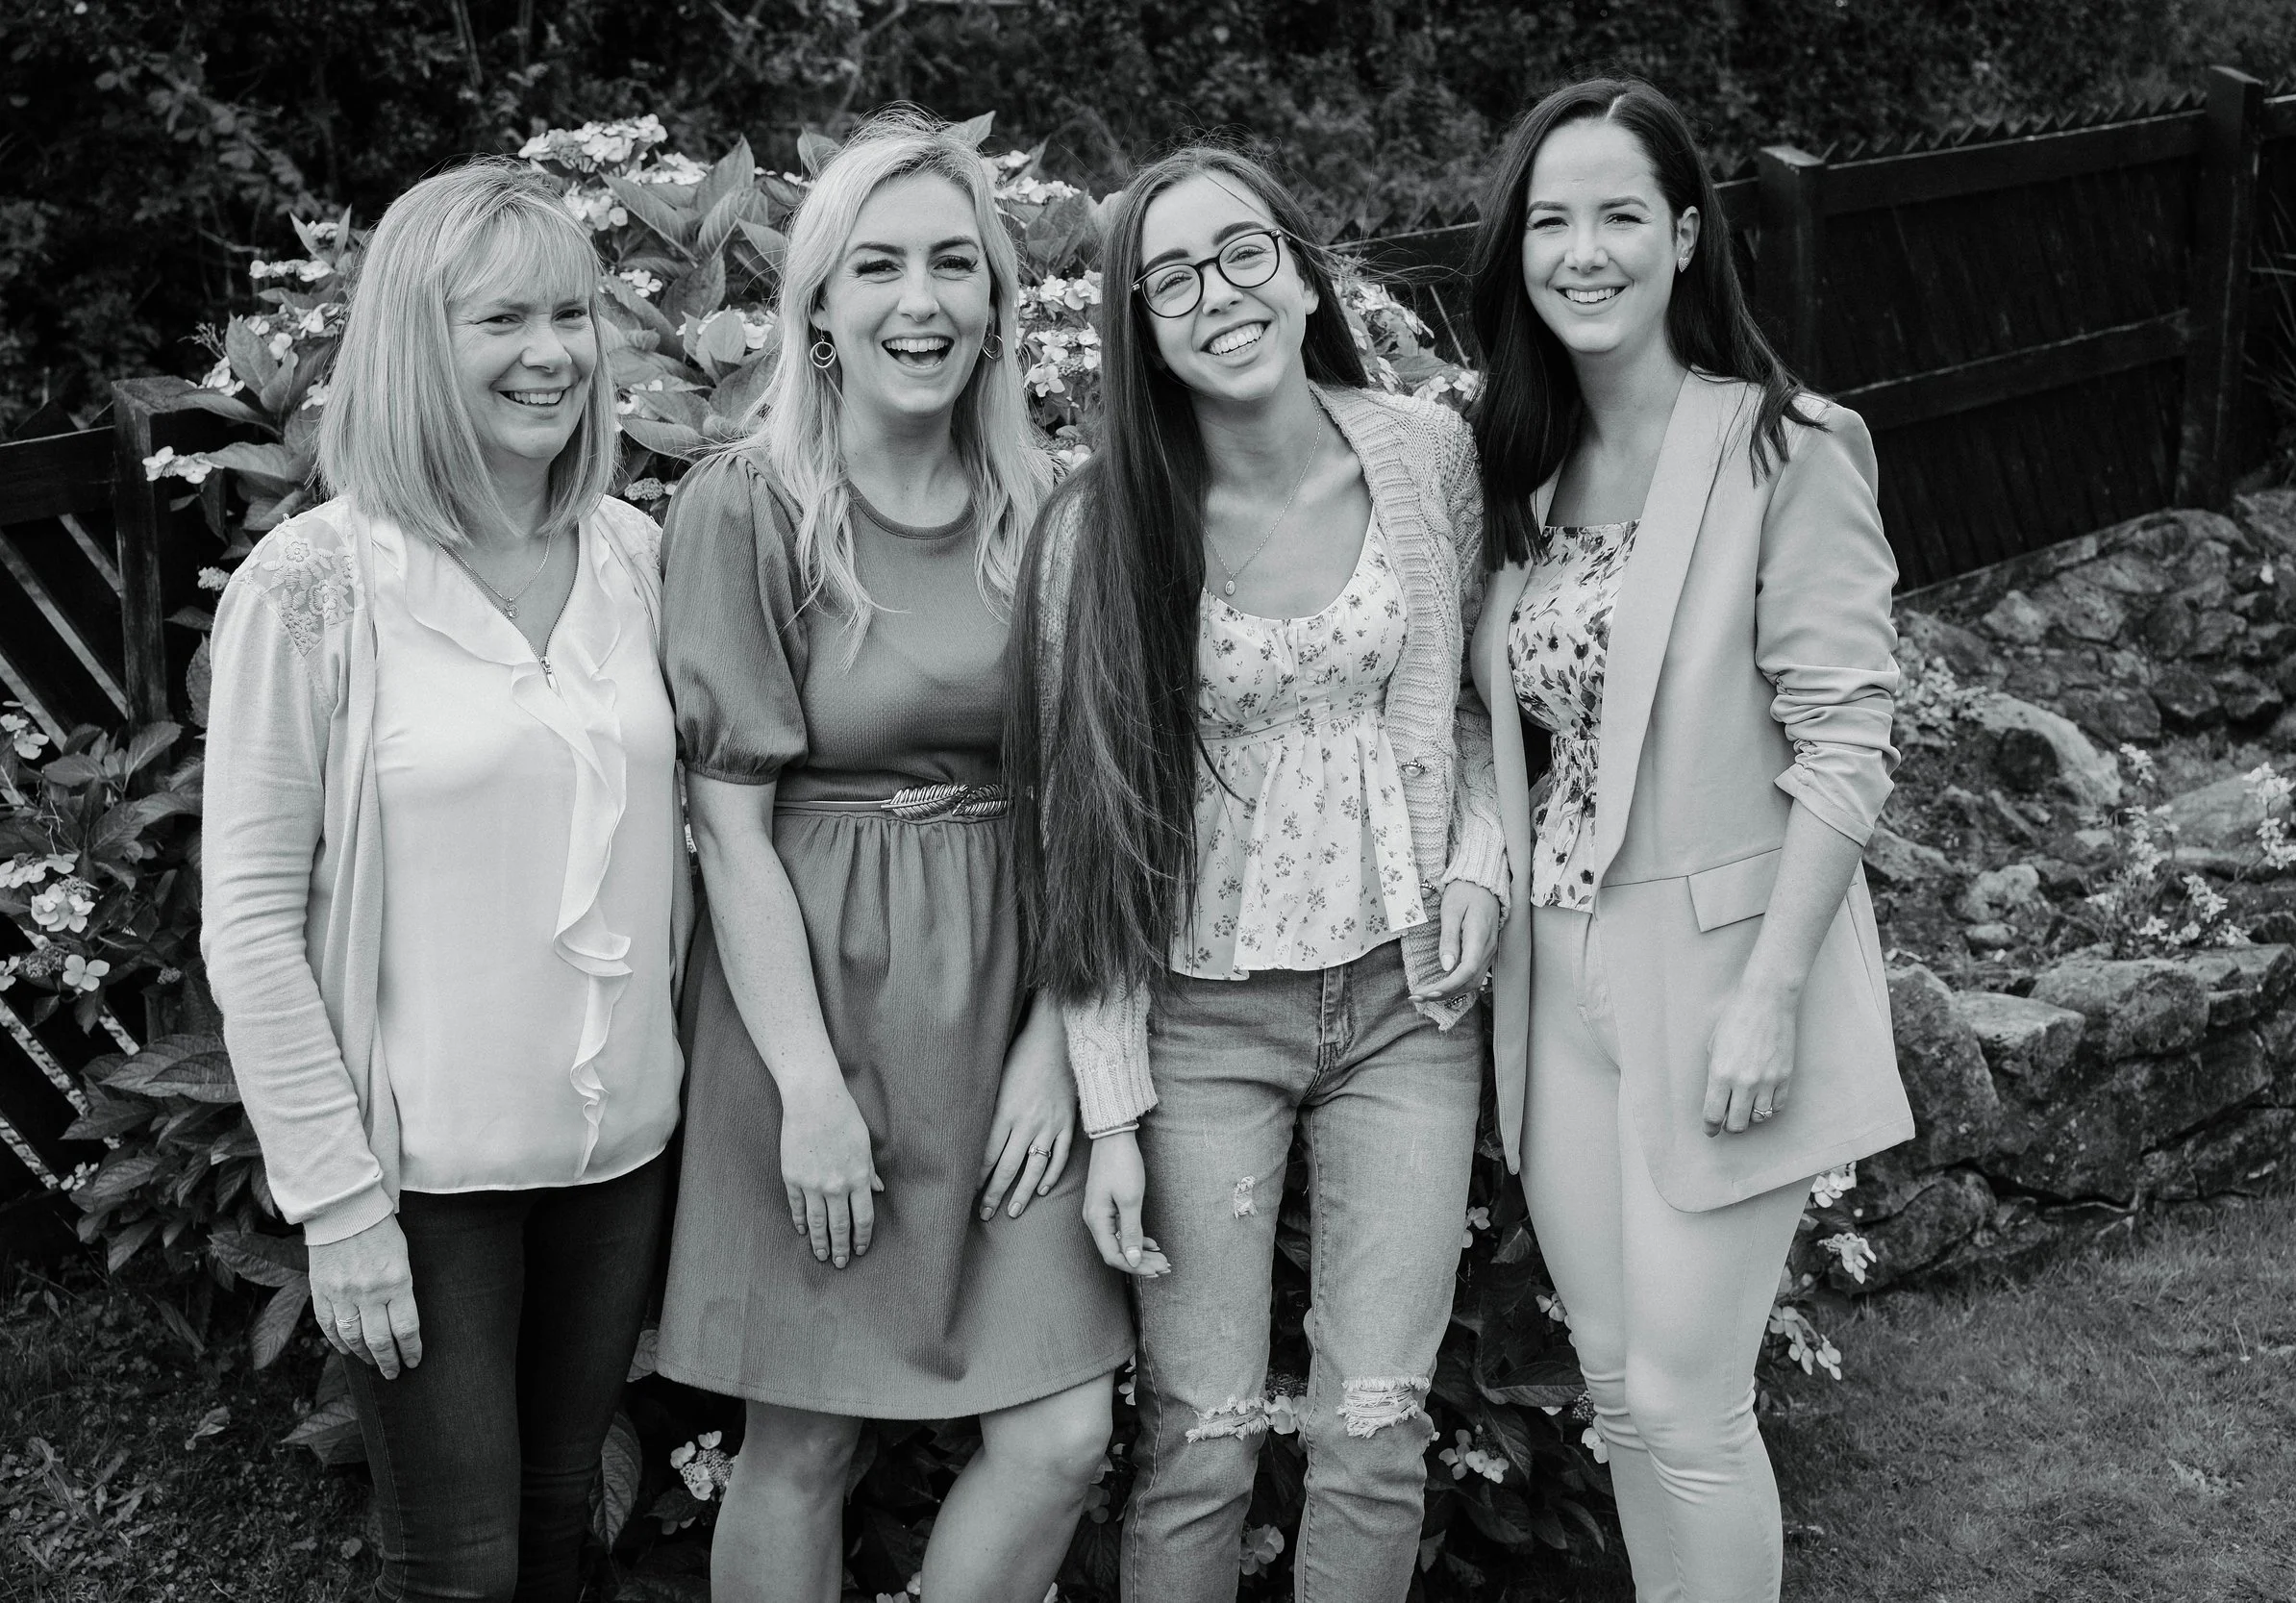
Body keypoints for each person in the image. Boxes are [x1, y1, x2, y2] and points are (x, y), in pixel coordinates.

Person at [1011, 144, 1508, 1602]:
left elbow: (1463, 704)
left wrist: (1476, 858)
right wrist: (1112, 1112)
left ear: (1298, 269)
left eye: (1242, 254)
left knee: (1374, 1430)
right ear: (1139, 327)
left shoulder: (1423, 454)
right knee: (1202, 1440)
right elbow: (1079, 838)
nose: (1216, 295)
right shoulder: (1097, 529)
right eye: (1171, 278)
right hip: (1201, 1023)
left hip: (1409, 1002)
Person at [652, 111, 1130, 1603]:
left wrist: (1060, 1043)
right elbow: (727, 826)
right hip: (818, 1006)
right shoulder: (751, 505)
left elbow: (1093, 806)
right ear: (821, 307)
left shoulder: (1052, 510)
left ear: (996, 301)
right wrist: (806, 1093)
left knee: (1059, 1431)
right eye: (878, 267)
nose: (918, 300)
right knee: (802, 1440)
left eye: (952, 265)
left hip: (1009, 1005)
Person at [202, 161, 687, 1603]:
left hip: (618, 1155)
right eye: (502, 320)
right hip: (422, 1183)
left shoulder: (639, 558)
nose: (552, 351)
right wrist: (338, 1204)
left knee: (556, 1535)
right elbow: (249, 919)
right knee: (457, 1573)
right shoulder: (315, 587)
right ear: (420, 341)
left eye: (572, 313)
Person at [1464, 77, 1917, 1603]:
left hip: (1721, 966)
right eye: (1550, 221)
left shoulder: (1789, 448)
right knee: (1613, 1389)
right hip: (1562, 970)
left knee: (1687, 1401)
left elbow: (1848, 741)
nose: (1581, 252)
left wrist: (1775, 990)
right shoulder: (1524, 469)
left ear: (1680, 232)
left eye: (1615, 217)